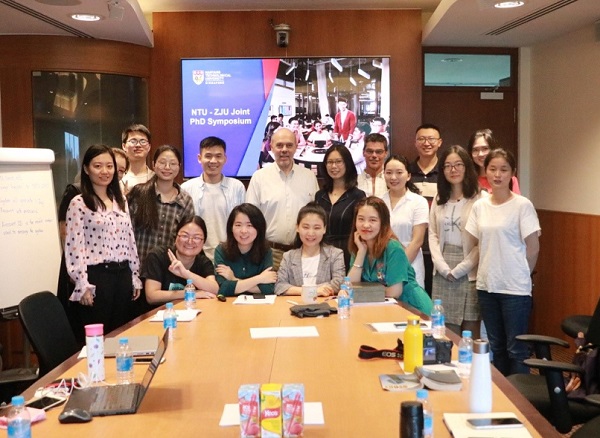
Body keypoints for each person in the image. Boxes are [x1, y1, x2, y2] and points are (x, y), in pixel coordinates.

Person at [466, 149, 540, 376]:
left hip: (515, 289)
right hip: (487, 285)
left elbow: (533, 248)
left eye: (503, 170)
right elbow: (473, 243)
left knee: (516, 350)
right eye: (492, 169)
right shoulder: (480, 205)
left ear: (512, 173)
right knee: (496, 347)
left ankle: (518, 396)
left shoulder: (522, 205)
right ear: (485, 171)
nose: (497, 175)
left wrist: (522, 274)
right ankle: (500, 395)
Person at [64, 145, 142, 341]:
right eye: (97, 166)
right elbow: (74, 246)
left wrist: (134, 275)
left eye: (109, 166)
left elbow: (130, 239)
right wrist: (82, 283)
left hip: (123, 275)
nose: (105, 171)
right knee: (98, 338)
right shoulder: (78, 203)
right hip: (97, 277)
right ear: (86, 169)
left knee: (121, 334)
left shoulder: (121, 200)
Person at [246, 128, 320, 269]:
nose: (284, 150)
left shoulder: (309, 177)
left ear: (296, 146)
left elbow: (317, 215)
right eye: (279, 145)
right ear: (271, 147)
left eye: (289, 145)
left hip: (304, 252)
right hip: (269, 254)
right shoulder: (259, 178)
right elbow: (250, 218)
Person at [429, 145, 482, 337]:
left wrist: (462, 268)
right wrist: (442, 266)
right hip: (443, 269)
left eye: (458, 164)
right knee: (445, 330)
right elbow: (432, 234)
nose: (453, 170)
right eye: (448, 166)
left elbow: (482, 241)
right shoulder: (439, 198)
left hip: (470, 269)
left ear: (467, 167)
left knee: (470, 330)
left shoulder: (480, 198)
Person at [347, 197, 432, 314]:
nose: (365, 225)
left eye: (372, 220)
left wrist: (363, 293)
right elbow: (350, 286)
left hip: (411, 307)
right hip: (383, 307)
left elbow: (394, 292)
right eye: (361, 219)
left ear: (383, 223)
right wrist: (361, 252)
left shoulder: (393, 248)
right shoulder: (359, 245)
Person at [128, 145, 195, 271]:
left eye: (173, 163)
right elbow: (126, 233)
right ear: (154, 165)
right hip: (137, 269)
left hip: (168, 271)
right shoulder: (139, 194)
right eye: (162, 162)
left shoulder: (185, 201)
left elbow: (186, 238)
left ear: (179, 166)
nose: (167, 167)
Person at [181, 136, 246, 261]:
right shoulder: (186, 188)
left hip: (230, 254)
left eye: (218, 156)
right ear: (199, 158)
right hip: (195, 255)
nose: (213, 161)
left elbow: (243, 223)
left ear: (225, 159)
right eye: (208, 156)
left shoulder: (237, 187)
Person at [144, 216, 219, 305]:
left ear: (203, 242)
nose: (190, 241)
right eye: (184, 236)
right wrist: (191, 293)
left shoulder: (204, 262)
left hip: (191, 311)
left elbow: (215, 289)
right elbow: (151, 296)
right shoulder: (158, 256)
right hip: (161, 312)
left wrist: (186, 274)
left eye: (197, 238)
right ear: (176, 237)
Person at [275, 203, 345, 296]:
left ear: (324, 229)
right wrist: (314, 291)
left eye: (317, 228)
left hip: (325, 303)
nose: (311, 233)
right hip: (296, 303)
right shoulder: (288, 256)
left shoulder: (335, 254)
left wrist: (297, 290)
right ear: (297, 227)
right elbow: (279, 286)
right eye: (306, 227)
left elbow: (339, 283)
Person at [382, 155, 429, 289]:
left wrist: (397, 268)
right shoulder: (378, 202)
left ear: (408, 176)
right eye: (389, 173)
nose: (393, 177)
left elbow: (417, 241)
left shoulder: (418, 202)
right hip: (383, 265)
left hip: (411, 265)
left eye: (399, 172)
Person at [315, 145, 366, 268]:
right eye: (330, 162)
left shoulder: (358, 196)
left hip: (347, 253)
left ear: (347, 163)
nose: (334, 166)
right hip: (321, 253)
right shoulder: (320, 195)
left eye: (338, 161)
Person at [409, 123, 444, 296]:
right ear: (415, 142)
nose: (426, 143)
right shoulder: (406, 172)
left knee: (435, 297)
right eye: (421, 139)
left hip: (438, 247)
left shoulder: (446, 173)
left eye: (431, 139)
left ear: (439, 142)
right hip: (412, 246)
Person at [214, 203, 277, 296]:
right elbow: (223, 288)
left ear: (259, 228)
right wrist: (260, 278)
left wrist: (233, 279)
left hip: (259, 303)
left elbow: (269, 289)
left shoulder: (265, 250)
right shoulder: (221, 250)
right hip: (229, 303)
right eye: (238, 225)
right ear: (231, 228)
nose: (244, 231)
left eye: (249, 225)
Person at [467, 128, 521, 194]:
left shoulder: (509, 179)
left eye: (485, 148)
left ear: (493, 150)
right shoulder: (468, 180)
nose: (480, 154)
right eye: (475, 150)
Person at [121, 123, 154, 193]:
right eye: (133, 141)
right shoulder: (119, 178)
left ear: (149, 147)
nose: (138, 145)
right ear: (124, 146)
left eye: (143, 141)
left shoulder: (156, 178)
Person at [357, 133, 388, 198]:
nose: (374, 155)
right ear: (363, 152)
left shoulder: (392, 181)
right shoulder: (354, 182)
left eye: (379, 152)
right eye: (370, 151)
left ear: (386, 153)